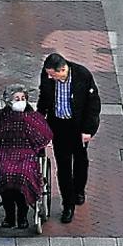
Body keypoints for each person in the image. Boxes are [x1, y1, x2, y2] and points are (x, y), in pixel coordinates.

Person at [37, 52, 102, 223]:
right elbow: (43, 99)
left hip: (78, 127)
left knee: (80, 161)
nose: (49, 77)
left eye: (53, 75)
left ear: (62, 69)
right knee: (63, 166)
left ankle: (79, 190)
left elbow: (93, 105)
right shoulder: (47, 76)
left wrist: (88, 130)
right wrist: (38, 119)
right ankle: (68, 204)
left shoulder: (82, 75)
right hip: (58, 127)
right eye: (48, 74)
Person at [0, 84, 53, 232]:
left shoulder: (34, 117)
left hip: (27, 152)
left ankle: (22, 216)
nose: (21, 101)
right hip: (5, 150)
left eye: (23, 98)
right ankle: (9, 216)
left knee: (24, 174)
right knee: (4, 173)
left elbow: (43, 135)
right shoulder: (0, 116)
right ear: (9, 101)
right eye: (17, 98)